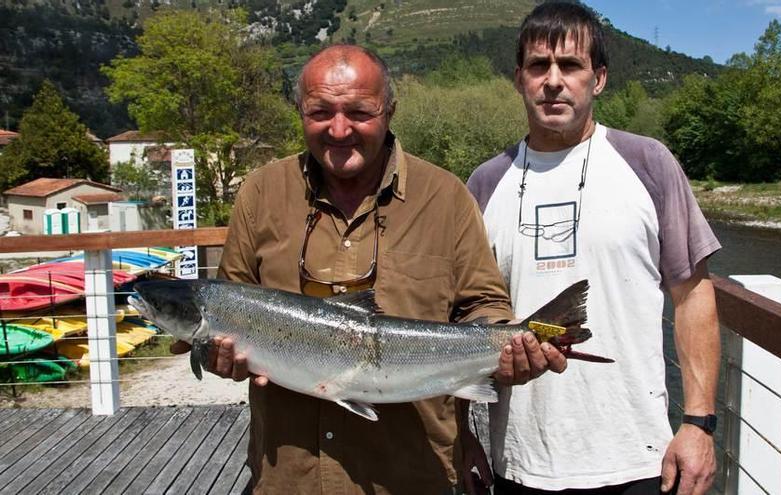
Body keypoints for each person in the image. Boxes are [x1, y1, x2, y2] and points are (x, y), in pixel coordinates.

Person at [172, 44, 566, 494]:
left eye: (359, 112)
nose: (339, 130)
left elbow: (485, 304)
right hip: (289, 479)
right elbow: (233, 306)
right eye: (320, 112)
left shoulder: (446, 197)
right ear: (300, 110)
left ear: (390, 110)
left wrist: (514, 349)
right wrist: (225, 358)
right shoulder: (260, 193)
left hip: (414, 476)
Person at [465, 3, 722, 495]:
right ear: (519, 79)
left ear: (598, 79)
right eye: (539, 66)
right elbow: (460, 319)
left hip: (637, 458)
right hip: (518, 460)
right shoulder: (485, 183)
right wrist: (461, 438)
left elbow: (692, 296)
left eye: (571, 66)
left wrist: (698, 423)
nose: (554, 81)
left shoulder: (648, 163)